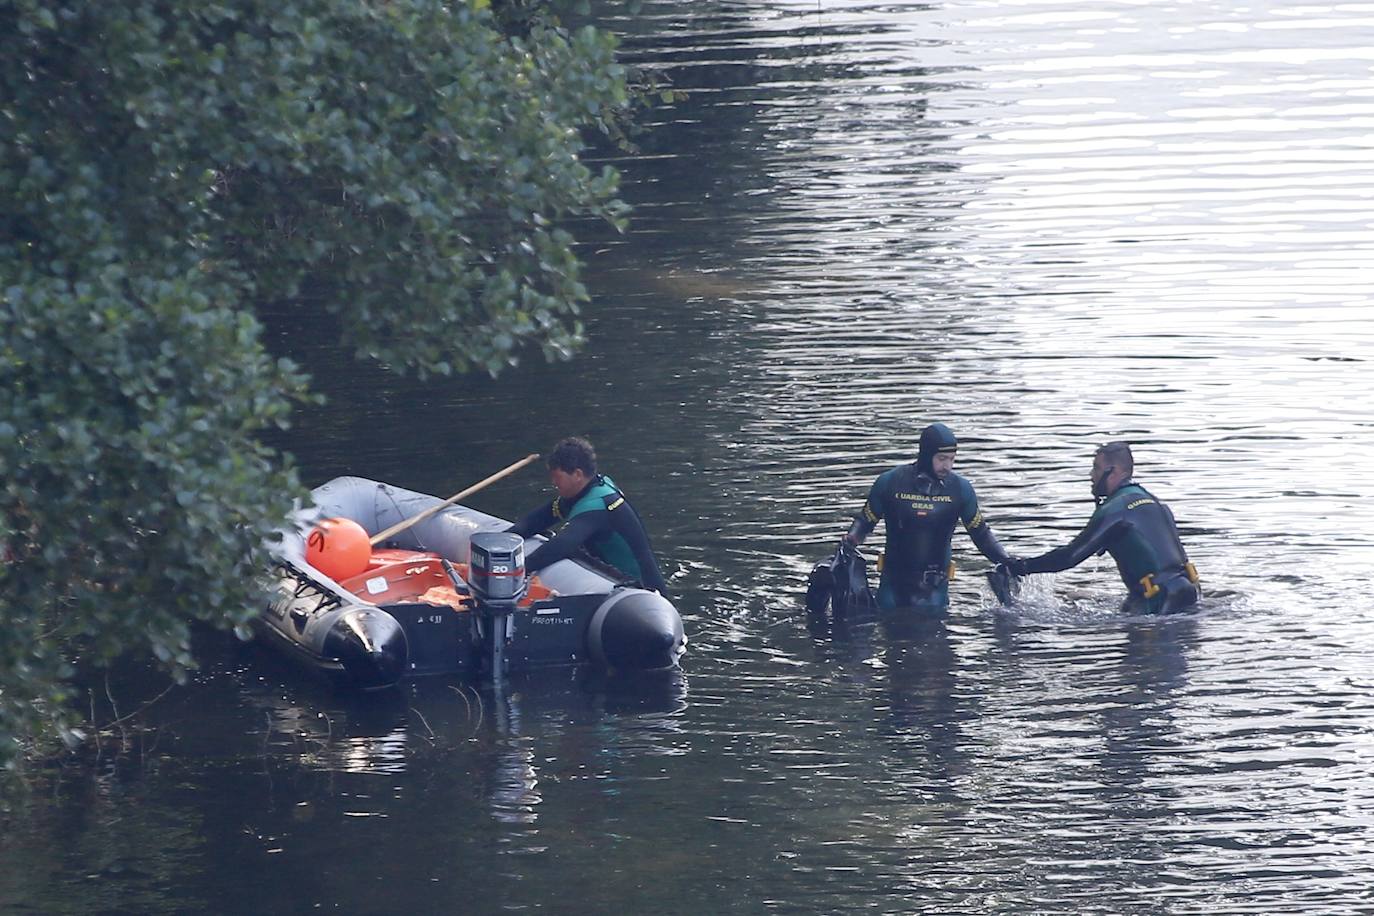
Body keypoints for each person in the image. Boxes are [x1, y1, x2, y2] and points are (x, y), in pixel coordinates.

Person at [1004, 441, 1201, 613]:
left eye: (1096, 468)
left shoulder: (1116, 509)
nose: (1091, 475)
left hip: (1160, 602)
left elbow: (1070, 556)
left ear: (1113, 472)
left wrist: (1022, 567)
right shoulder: (1154, 502)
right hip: (1189, 593)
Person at [842, 422, 1013, 612]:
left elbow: (980, 533)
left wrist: (1004, 560)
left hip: (934, 595)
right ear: (925, 454)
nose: (947, 466)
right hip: (891, 590)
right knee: (889, 634)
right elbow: (866, 520)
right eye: (941, 459)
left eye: (951, 459)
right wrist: (852, 539)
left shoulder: (960, 489)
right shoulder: (891, 482)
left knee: (932, 637)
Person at [507, 437, 668, 593]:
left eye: (557, 477)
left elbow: (561, 545)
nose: (553, 482)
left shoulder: (596, 506)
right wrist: (503, 539)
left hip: (643, 591)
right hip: (613, 578)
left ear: (577, 474)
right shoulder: (584, 492)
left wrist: (514, 570)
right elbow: (538, 520)